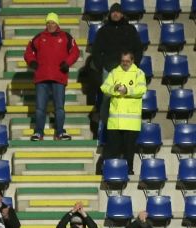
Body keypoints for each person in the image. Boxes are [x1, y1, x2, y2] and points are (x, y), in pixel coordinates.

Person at [90, 4, 143, 144]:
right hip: (109, 70)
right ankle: (104, 132)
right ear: (110, 14)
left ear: (122, 14)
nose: (115, 14)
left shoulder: (130, 30)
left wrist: (134, 66)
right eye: (113, 12)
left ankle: (123, 134)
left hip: (127, 70)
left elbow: (138, 48)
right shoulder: (103, 31)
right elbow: (96, 51)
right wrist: (102, 64)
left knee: (126, 99)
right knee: (107, 100)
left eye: (118, 12)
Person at [24, 13, 80, 141]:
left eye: (53, 22)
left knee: (59, 108)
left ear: (57, 23)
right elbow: (28, 51)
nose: (50, 25)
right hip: (41, 78)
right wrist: (32, 61)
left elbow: (75, 51)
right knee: (40, 108)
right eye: (48, 22)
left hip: (58, 77)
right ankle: (39, 132)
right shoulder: (38, 37)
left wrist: (67, 63)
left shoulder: (66, 37)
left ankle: (59, 132)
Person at [100, 51, 145, 174]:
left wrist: (127, 90)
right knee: (112, 149)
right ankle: (111, 171)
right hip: (115, 121)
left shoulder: (138, 73)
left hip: (131, 122)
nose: (125, 63)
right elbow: (104, 87)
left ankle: (128, 170)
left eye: (127, 61)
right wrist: (114, 89)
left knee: (129, 150)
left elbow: (141, 90)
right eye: (123, 61)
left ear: (132, 61)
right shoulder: (114, 72)